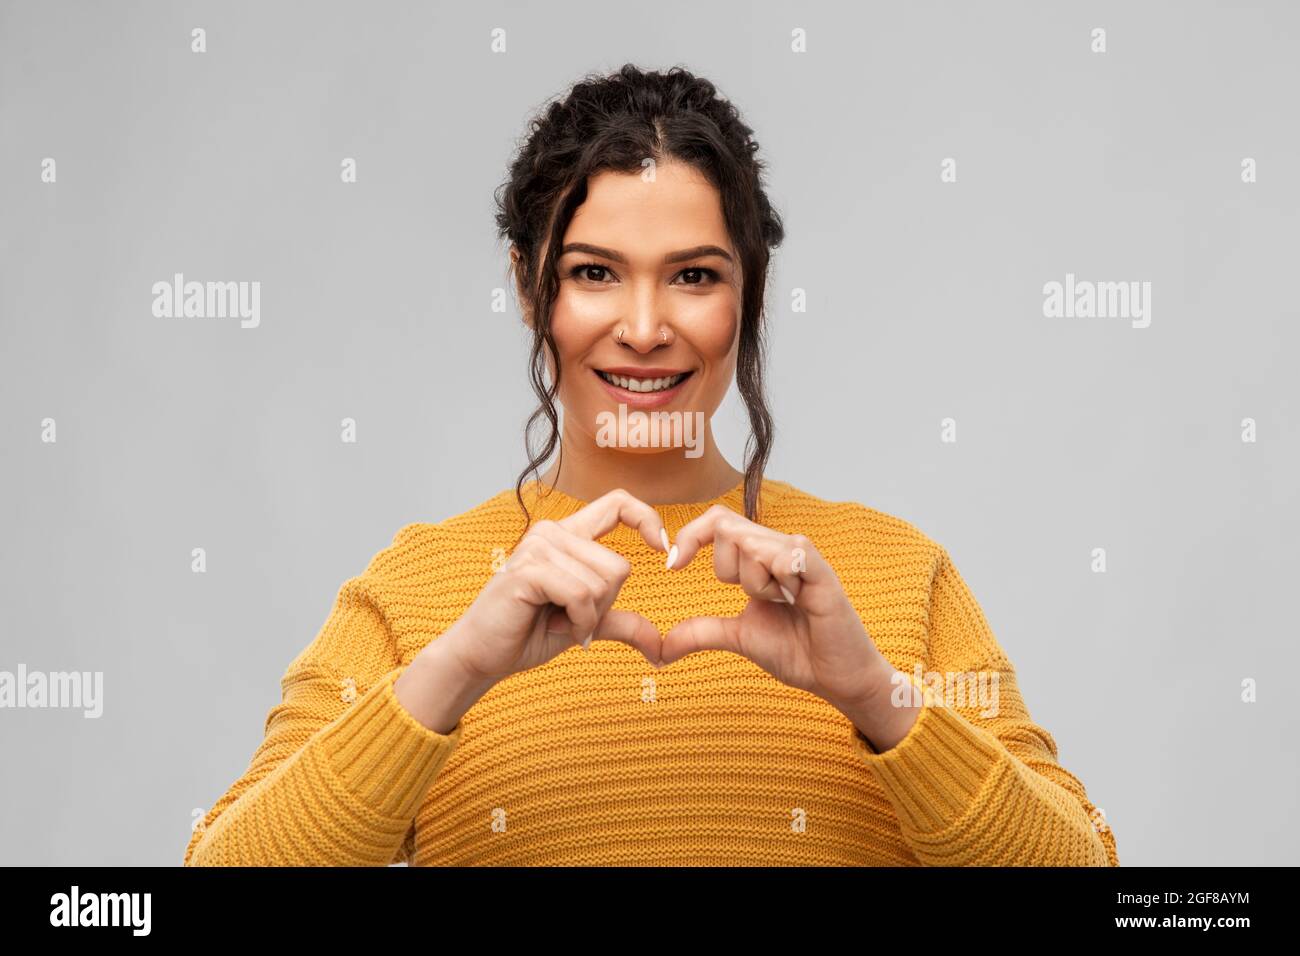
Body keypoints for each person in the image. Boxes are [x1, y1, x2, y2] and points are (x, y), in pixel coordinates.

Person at [184, 64, 1118, 867]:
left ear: (748, 294)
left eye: (694, 275)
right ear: (527, 285)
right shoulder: (418, 591)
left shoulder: (896, 576)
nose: (642, 327)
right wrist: (459, 666)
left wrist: (878, 697)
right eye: (594, 273)